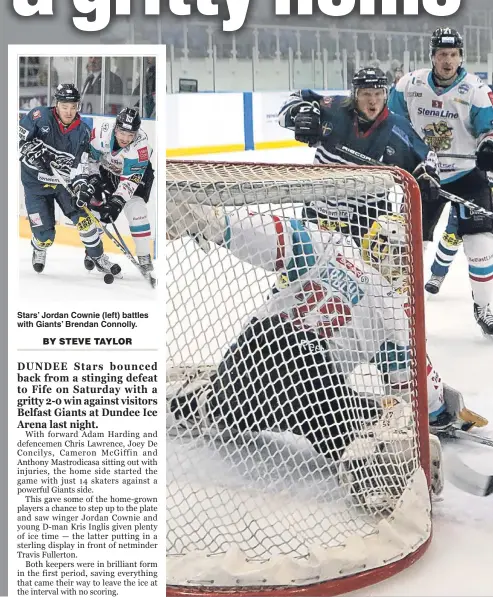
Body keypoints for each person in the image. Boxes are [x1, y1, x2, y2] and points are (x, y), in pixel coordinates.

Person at [167, 203, 484, 506]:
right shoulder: (396, 315)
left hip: (253, 350)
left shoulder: (331, 244)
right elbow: (414, 390)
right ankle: (392, 458)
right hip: (312, 378)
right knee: (359, 423)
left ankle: (197, 402)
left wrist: (214, 222)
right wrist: (443, 410)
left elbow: (275, 234)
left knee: (227, 409)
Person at [388, 27, 493, 336]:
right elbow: (392, 123)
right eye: (442, 54)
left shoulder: (475, 89)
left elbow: (489, 128)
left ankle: (485, 307)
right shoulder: (409, 84)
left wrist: (488, 145)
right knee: (406, 245)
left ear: (461, 57)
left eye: (453, 55)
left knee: (480, 243)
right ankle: (398, 311)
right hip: (424, 174)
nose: (448, 61)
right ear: (432, 56)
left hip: (466, 175)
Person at [278, 68, 440, 241]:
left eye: (378, 94)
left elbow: (427, 158)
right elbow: (295, 100)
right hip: (320, 213)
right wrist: (301, 113)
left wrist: (428, 175)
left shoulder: (398, 128)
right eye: (366, 94)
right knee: (310, 265)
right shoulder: (334, 108)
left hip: (370, 221)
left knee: (377, 267)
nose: (373, 101)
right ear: (355, 94)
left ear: (386, 95)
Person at [18, 84, 121, 279]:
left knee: (85, 220)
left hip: (64, 185)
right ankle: (39, 245)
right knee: (45, 237)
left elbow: (80, 165)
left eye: (73, 107)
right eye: (65, 106)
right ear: (56, 104)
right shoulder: (39, 117)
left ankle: (98, 256)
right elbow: (16, 139)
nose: (69, 111)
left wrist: (82, 186)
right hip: (35, 185)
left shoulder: (82, 131)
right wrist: (31, 152)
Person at [71, 107, 155, 277]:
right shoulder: (101, 133)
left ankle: (144, 257)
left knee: (136, 211)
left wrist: (117, 202)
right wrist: (93, 178)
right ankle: (93, 251)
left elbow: (130, 180)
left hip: (136, 175)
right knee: (97, 211)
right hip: (107, 173)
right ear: (116, 128)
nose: (125, 138)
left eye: (130, 134)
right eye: (122, 132)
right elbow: (90, 158)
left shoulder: (141, 146)